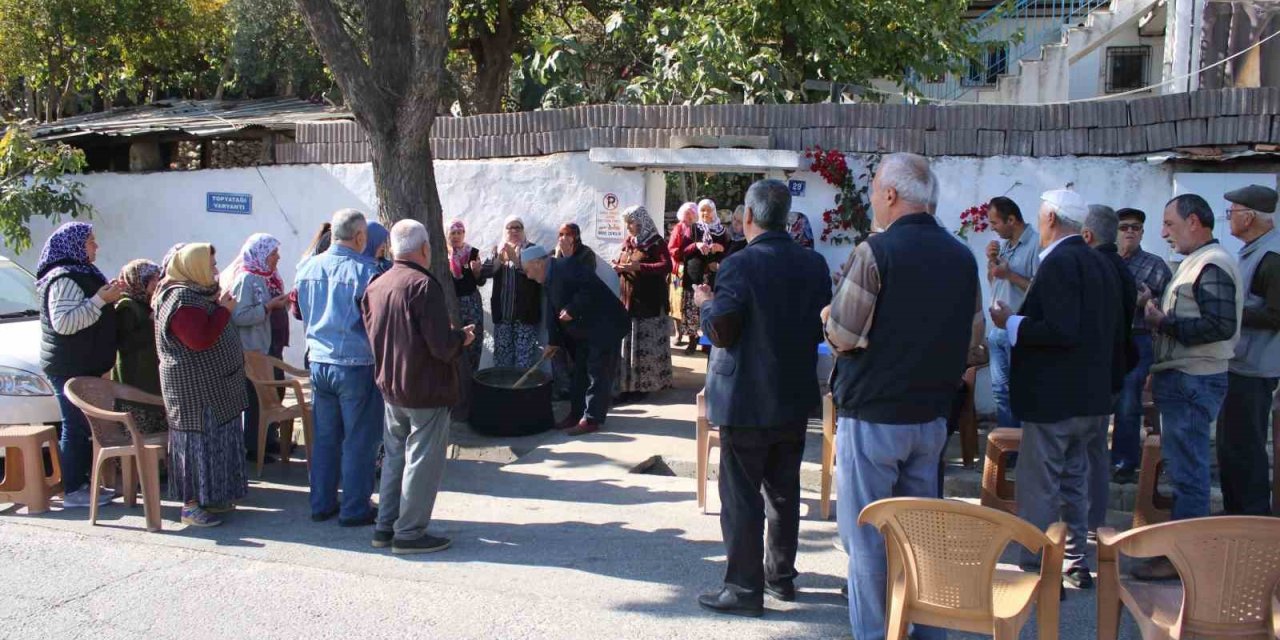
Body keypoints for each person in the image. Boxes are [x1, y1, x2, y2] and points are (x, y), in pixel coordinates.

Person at [825, 155, 979, 637]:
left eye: (875, 190)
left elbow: (843, 335)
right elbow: (974, 342)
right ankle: (930, 629)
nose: (873, 198)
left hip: (874, 413)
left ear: (890, 195)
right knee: (922, 537)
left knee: (869, 539)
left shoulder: (876, 253)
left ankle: (877, 633)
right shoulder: (962, 256)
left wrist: (828, 316)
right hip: (931, 415)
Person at [694, 179, 830, 619]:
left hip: (746, 398)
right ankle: (780, 579)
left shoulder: (739, 265)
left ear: (748, 217)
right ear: (786, 217)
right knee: (784, 492)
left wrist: (705, 304)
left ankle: (743, 587)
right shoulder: (813, 264)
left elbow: (725, 329)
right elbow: (818, 327)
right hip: (791, 394)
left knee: (741, 497)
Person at [992, 189, 1122, 592]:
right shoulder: (1100, 261)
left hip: (1056, 397)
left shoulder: (1060, 261)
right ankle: (1073, 560)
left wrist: (1011, 322)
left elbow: (1060, 330)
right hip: (1091, 396)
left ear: (1049, 219)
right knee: (1074, 480)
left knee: (1041, 482)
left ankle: (1038, 562)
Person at [1134, 194, 1243, 580]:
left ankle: (1185, 561)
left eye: (1170, 224)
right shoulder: (1198, 263)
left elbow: (1219, 326)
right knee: (1184, 470)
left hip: (1193, 379)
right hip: (1183, 377)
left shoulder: (1211, 264)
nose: (1164, 232)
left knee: (1189, 473)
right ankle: (1184, 556)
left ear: (1194, 222)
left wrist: (1163, 324)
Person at [363, 220, 476, 555]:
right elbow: (441, 345)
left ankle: (386, 525)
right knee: (422, 461)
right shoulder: (422, 286)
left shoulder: (377, 284)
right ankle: (409, 532)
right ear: (425, 248)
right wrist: (462, 338)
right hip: (423, 387)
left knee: (396, 456)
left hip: (391, 385)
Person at [295, 208, 385, 526]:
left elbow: (302, 310)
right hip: (356, 363)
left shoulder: (306, 267)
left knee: (325, 437)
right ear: (360, 237)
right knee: (360, 438)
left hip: (319, 360)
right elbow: (375, 323)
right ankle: (355, 507)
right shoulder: (367, 272)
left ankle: (321, 502)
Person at [154, 243, 249, 527]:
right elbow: (199, 340)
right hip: (195, 394)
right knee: (197, 444)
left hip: (216, 388)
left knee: (216, 442)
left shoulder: (198, 294)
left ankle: (213, 497)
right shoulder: (181, 299)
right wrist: (223, 311)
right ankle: (191, 506)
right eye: (210, 264)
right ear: (193, 267)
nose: (216, 269)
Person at [35, 221, 122, 508]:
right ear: (74, 246)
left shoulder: (84, 273)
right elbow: (65, 323)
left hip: (83, 363)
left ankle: (83, 484)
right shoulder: (63, 278)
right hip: (68, 365)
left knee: (83, 425)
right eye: (90, 242)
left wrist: (109, 298)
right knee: (74, 425)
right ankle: (73, 489)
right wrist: (100, 300)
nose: (96, 246)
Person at [522, 245, 628, 437]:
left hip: (606, 325)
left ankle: (591, 419)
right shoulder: (547, 278)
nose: (528, 275)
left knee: (598, 372)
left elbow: (591, 288)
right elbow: (552, 312)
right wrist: (553, 342)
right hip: (587, 331)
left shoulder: (567, 266)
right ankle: (576, 413)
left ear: (538, 263)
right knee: (579, 373)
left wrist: (572, 308)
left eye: (527, 270)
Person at [1219, 185, 1280, 515]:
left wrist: (1229, 309)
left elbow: (1275, 315)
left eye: (1233, 211)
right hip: (1240, 363)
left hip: (1255, 368)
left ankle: (1253, 519)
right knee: (1231, 448)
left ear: (1251, 216)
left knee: (1246, 447)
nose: (1228, 218)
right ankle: (1235, 512)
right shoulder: (1254, 250)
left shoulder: (1272, 257)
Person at [1082, 204, 1138, 533]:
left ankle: (1087, 520)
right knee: (1095, 449)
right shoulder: (1118, 266)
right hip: (1111, 368)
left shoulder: (1097, 265)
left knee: (1088, 451)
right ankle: (1091, 518)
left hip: (1095, 373)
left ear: (1087, 235)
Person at [1110, 207, 1173, 484]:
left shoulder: (1155, 265)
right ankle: (1097, 459)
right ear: (1115, 231)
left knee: (1127, 399)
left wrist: (1147, 303)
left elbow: (1168, 308)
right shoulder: (1105, 261)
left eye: (1136, 227)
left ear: (1142, 232)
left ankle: (1125, 463)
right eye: (1124, 227)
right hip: (1108, 338)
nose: (1130, 232)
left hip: (1139, 337)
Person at [221, 233, 292, 463]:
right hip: (252, 348)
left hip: (269, 345)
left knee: (271, 394)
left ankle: (269, 439)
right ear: (260, 254)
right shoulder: (247, 279)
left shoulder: (268, 276)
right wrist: (269, 307)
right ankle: (252, 446)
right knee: (255, 397)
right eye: (273, 253)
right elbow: (239, 316)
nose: (277, 257)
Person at [985, 195, 1039, 429]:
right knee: (1000, 392)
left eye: (995, 223)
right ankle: (1007, 446)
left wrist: (1010, 275)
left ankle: (1020, 446)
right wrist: (992, 262)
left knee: (1019, 390)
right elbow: (995, 282)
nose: (992, 228)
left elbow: (1039, 290)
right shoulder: (1006, 246)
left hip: (1017, 329)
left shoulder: (1036, 244)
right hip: (997, 331)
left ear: (1012, 219)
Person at [614, 206, 674, 402]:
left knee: (645, 346)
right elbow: (625, 261)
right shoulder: (629, 242)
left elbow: (667, 266)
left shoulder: (655, 242)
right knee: (629, 346)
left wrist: (640, 267)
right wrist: (619, 266)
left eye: (631, 222)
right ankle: (628, 386)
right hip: (629, 301)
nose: (628, 226)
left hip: (648, 303)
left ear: (641, 221)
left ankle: (643, 387)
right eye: (627, 223)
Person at [112, 259, 167, 434]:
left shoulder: (148, 304)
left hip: (153, 381)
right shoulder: (126, 306)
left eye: (158, 278)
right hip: (135, 383)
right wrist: (152, 323)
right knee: (140, 434)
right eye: (151, 279)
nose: (156, 283)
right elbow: (126, 342)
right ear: (137, 281)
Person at [482, 215, 542, 369]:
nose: (514, 231)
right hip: (503, 315)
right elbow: (486, 272)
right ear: (505, 231)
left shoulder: (532, 249)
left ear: (523, 230)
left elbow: (539, 276)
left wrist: (516, 260)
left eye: (518, 227)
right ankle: (504, 393)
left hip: (525, 315)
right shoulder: (497, 249)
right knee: (502, 361)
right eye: (511, 227)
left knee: (524, 361)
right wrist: (499, 260)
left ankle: (521, 393)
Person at [448, 219, 487, 414]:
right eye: (452, 233)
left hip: (471, 303)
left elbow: (480, 281)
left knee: (473, 341)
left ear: (464, 234)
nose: (455, 237)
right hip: (452, 304)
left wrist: (477, 272)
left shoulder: (472, 253)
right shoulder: (443, 255)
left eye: (459, 233)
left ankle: (471, 386)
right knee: (454, 342)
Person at [669, 202, 699, 347]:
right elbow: (672, 249)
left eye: (692, 212)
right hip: (680, 270)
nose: (689, 215)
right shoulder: (679, 228)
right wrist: (686, 252)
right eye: (687, 213)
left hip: (695, 271)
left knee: (691, 305)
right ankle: (678, 333)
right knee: (677, 302)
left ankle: (693, 337)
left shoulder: (700, 228)